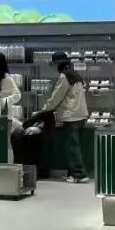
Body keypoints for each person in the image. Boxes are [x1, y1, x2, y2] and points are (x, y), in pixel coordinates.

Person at [41, 52, 90, 183]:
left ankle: (79, 174)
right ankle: (72, 173)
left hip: (71, 115)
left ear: (59, 65)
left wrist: (46, 109)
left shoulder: (64, 77)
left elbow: (57, 95)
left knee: (71, 147)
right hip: (80, 114)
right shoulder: (76, 75)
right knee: (74, 145)